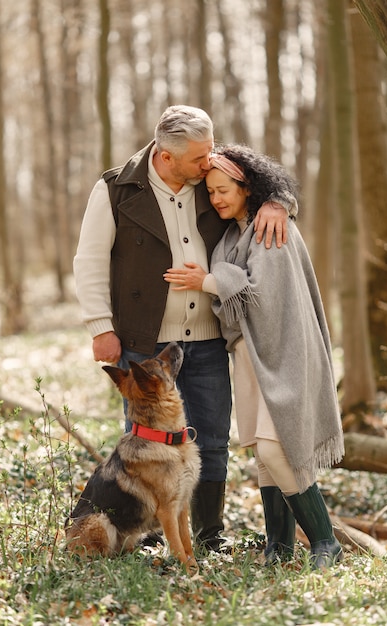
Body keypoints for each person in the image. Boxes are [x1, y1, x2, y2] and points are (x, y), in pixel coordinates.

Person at [73, 106, 298, 553]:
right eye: (199, 158)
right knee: (150, 446)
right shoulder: (116, 188)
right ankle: (153, 533)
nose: (209, 162)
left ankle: (209, 535)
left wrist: (279, 202)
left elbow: (264, 182)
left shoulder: (209, 174)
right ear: (165, 155)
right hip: (144, 341)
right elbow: (90, 260)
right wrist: (101, 326)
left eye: (211, 152)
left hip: (210, 336)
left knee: (211, 441)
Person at [163, 144, 344, 569]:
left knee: (276, 447)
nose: (217, 199)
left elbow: (263, 301)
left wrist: (208, 281)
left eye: (224, 189)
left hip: (283, 352)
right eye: (211, 192)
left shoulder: (270, 230)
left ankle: (325, 540)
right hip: (247, 354)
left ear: (249, 188)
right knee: (264, 454)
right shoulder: (232, 234)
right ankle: (278, 547)